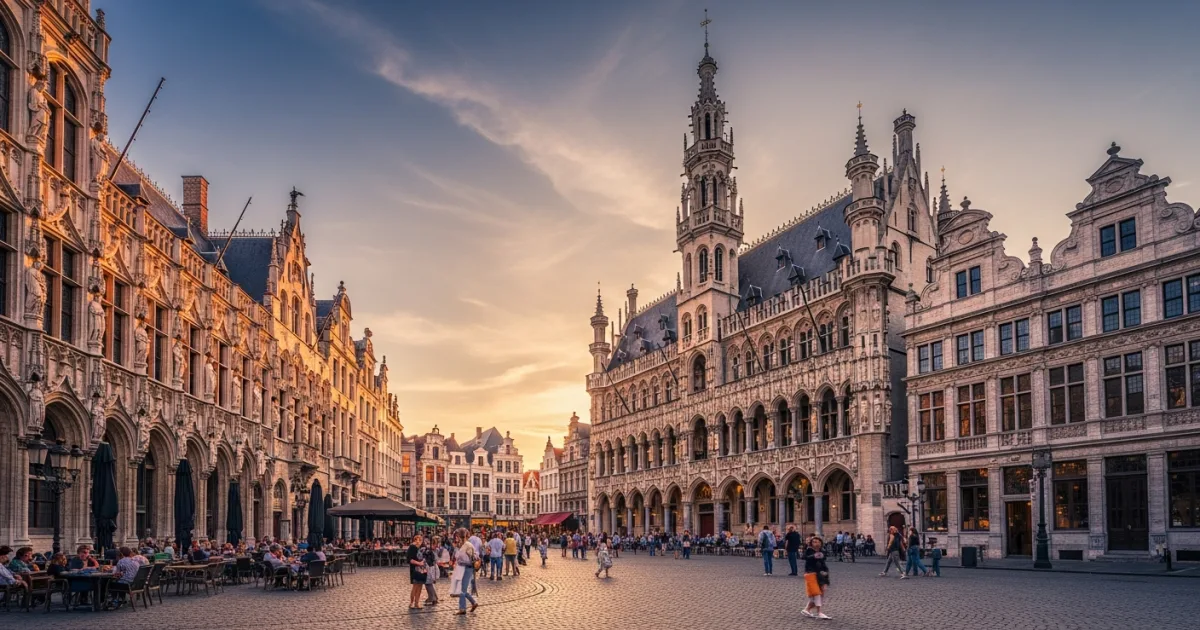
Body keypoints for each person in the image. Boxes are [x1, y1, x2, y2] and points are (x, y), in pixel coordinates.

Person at [801, 536, 832, 620]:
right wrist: (814, 556)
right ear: (811, 543)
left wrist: (825, 571)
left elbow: (823, 562)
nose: (816, 543)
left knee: (820, 593)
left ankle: (806, 610)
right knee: (816, 593)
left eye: (818, 542)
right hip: (810, 573)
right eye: (814, 542)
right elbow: (805, 557)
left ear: (821, 543)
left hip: (820, 574)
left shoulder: (822, 551)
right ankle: (819, 612)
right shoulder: (809, 550)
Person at [452, 529, 478, 616]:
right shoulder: (465, 545)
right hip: (464, 568)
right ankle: (473, 602)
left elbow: (460, 557)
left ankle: (462, 609)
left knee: (462, 590)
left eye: (457, 537)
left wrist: (456, 549)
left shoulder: (467, 545)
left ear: (460, 536)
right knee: (463, 588)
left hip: (467, 568)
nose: (457, 538)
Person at [407, 534, 427, 610]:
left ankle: (417, 603)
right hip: (415, 569)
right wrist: (418, 563)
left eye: (420, 540)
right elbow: (410, 559)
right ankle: (411, 603)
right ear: (414, 540)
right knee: (415, 586)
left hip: (422, 569)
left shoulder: (423, 548)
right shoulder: (412, 548)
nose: (418, 541)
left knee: (420, 586)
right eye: (416, 540)